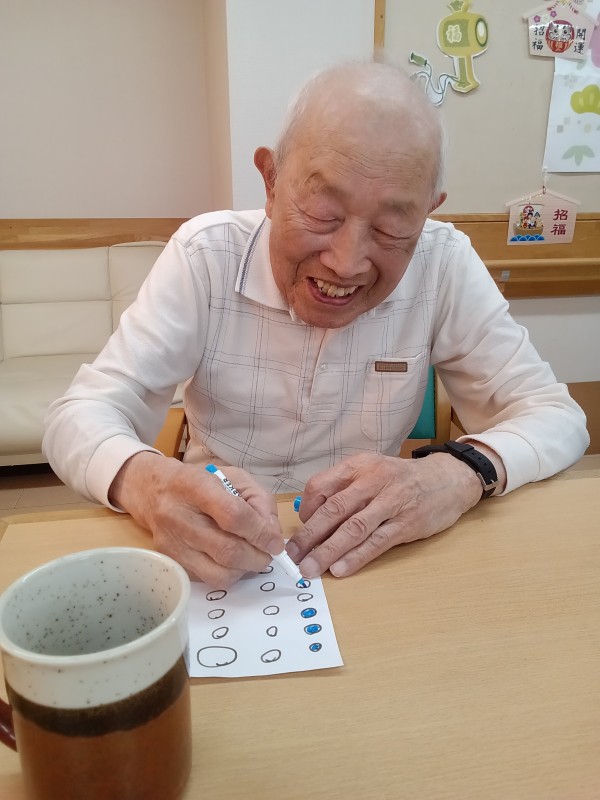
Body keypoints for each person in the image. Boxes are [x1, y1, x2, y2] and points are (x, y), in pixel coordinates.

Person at [43, 61, 589, 588]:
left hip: (371, 554)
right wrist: (150, 483)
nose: (346, 263)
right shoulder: (206, 254)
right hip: (218, 544)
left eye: (391, 227)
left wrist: (460, 470)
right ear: (271, 181)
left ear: (428, 210)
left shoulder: (444, 262)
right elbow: (79, 415)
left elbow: (557, 417)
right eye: (324, 214)